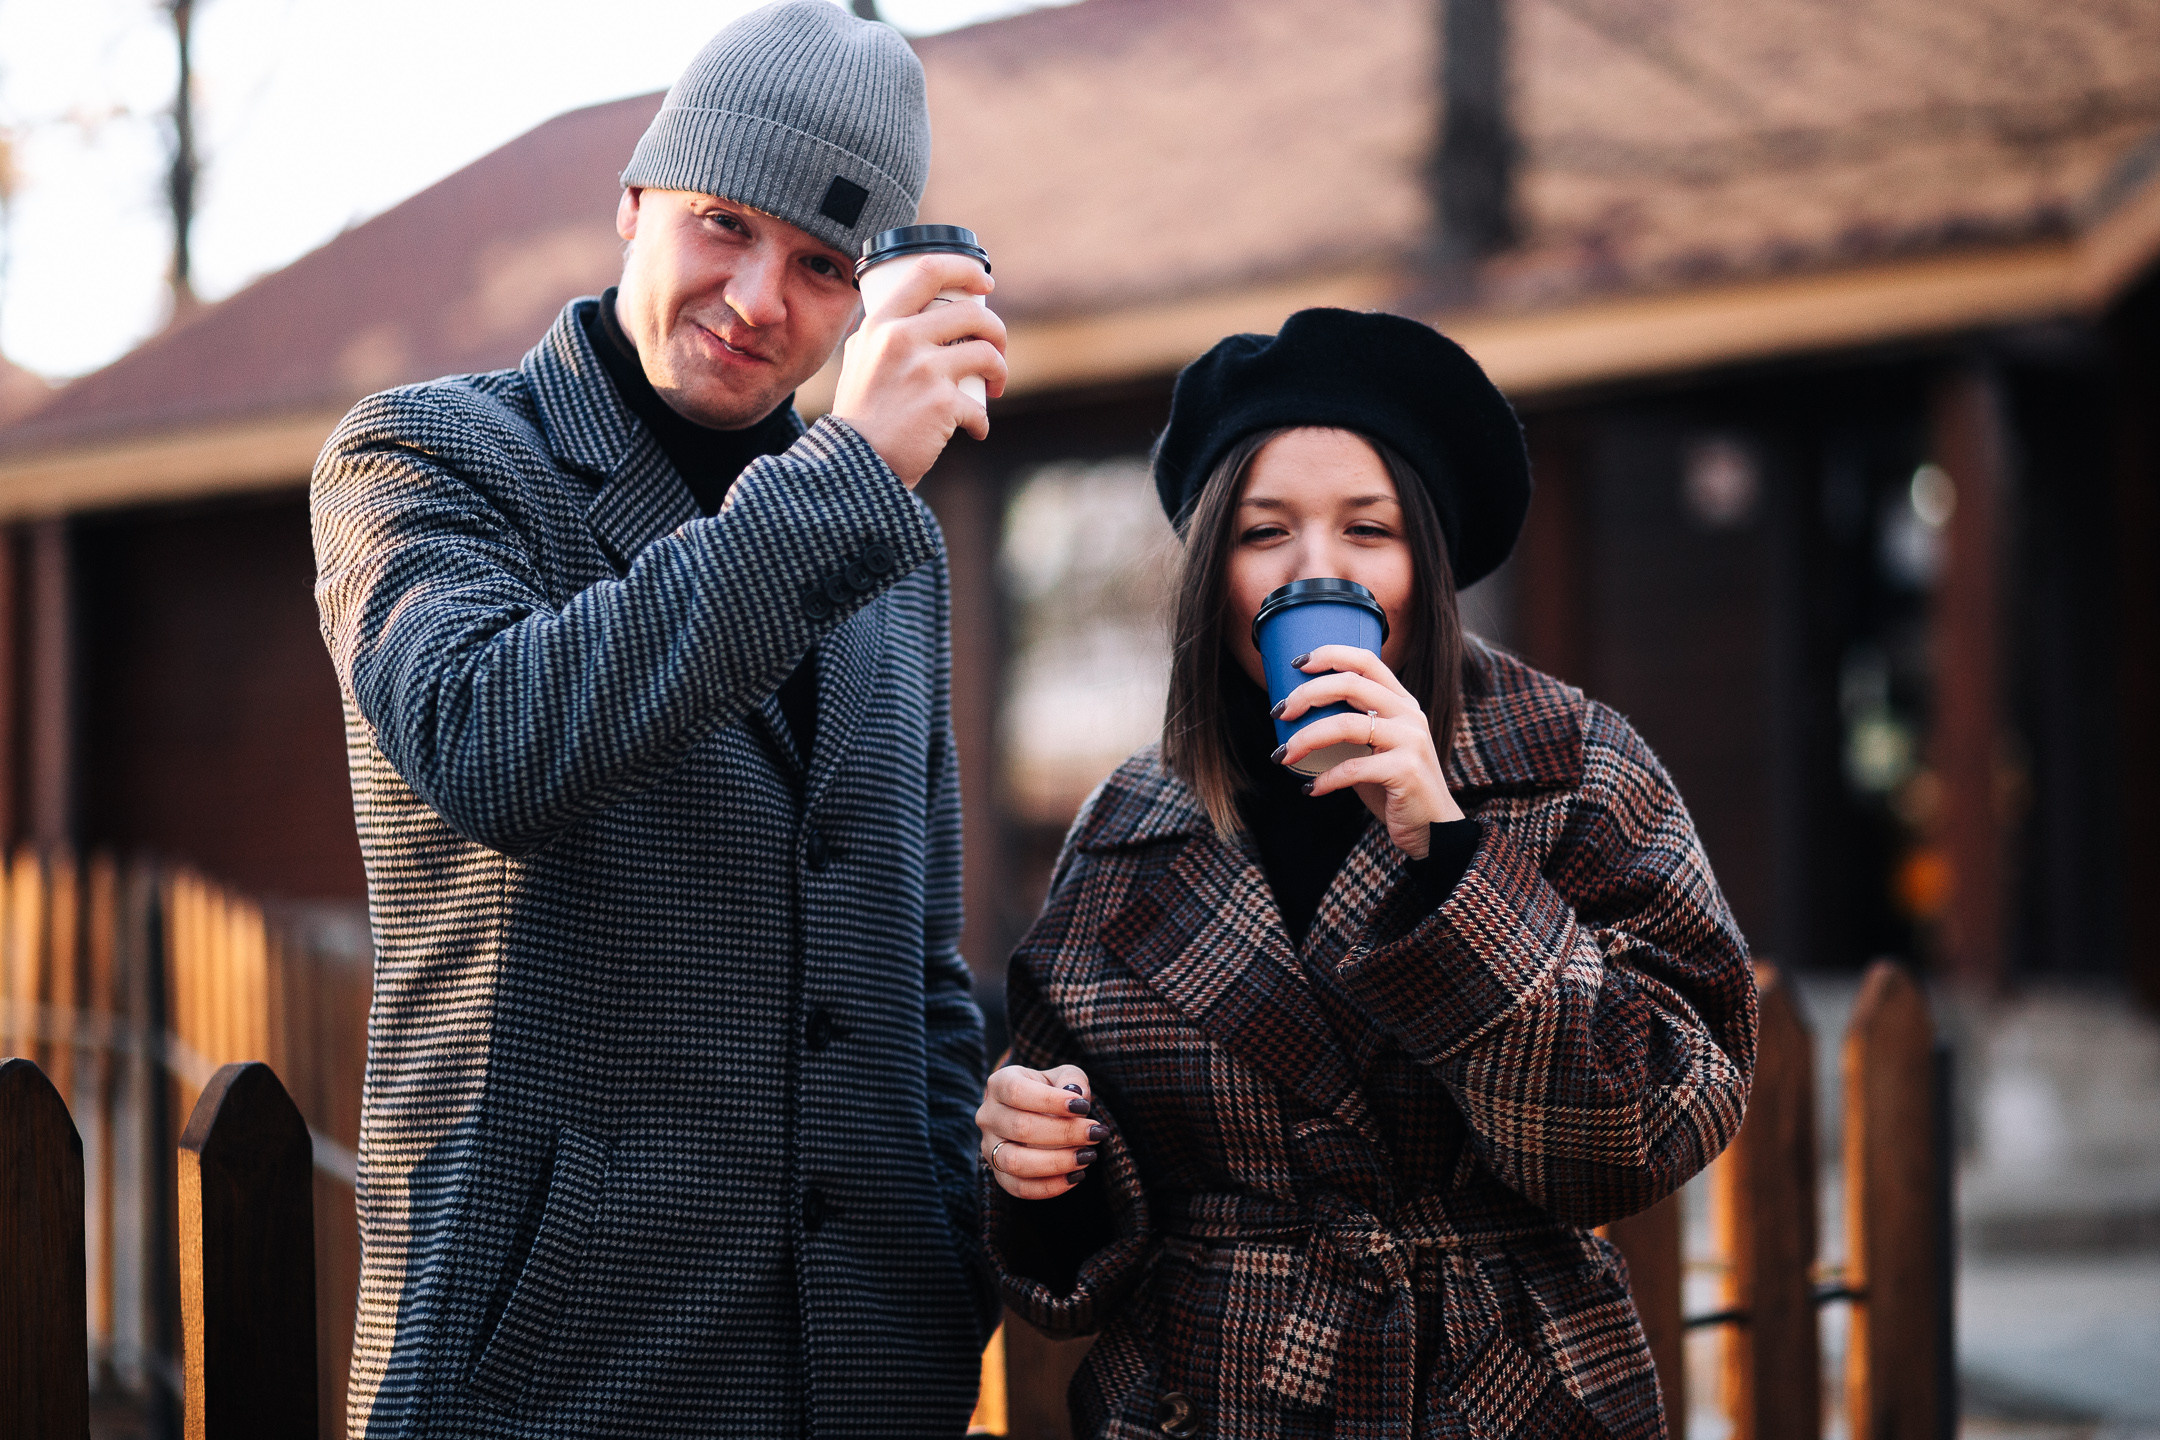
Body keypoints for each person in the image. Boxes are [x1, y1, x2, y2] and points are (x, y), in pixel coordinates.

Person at [310, 4, 1005, 1435]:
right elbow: (489, 744)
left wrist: (946, 1268)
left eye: (821, 265)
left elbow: (919, 966)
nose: (757, 298)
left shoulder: (896, 554)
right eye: (724, 225)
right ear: (635, 198)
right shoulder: (426, 455)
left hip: (865, 1381)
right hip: (555, 1370)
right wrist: (851, 472)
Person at [973, 309, 1757, 1440]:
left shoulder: (1575, 766)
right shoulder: (1128, 825)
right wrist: (1042, 1157)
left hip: (1506, 1391)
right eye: (1265, 532)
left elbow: (1643, 1131)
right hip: (1221, 1397)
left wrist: (1447, 849)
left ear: (1425, 565)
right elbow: (1091, 1227)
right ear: (1213, 573)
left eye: (1368, 529)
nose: (1318, 571)